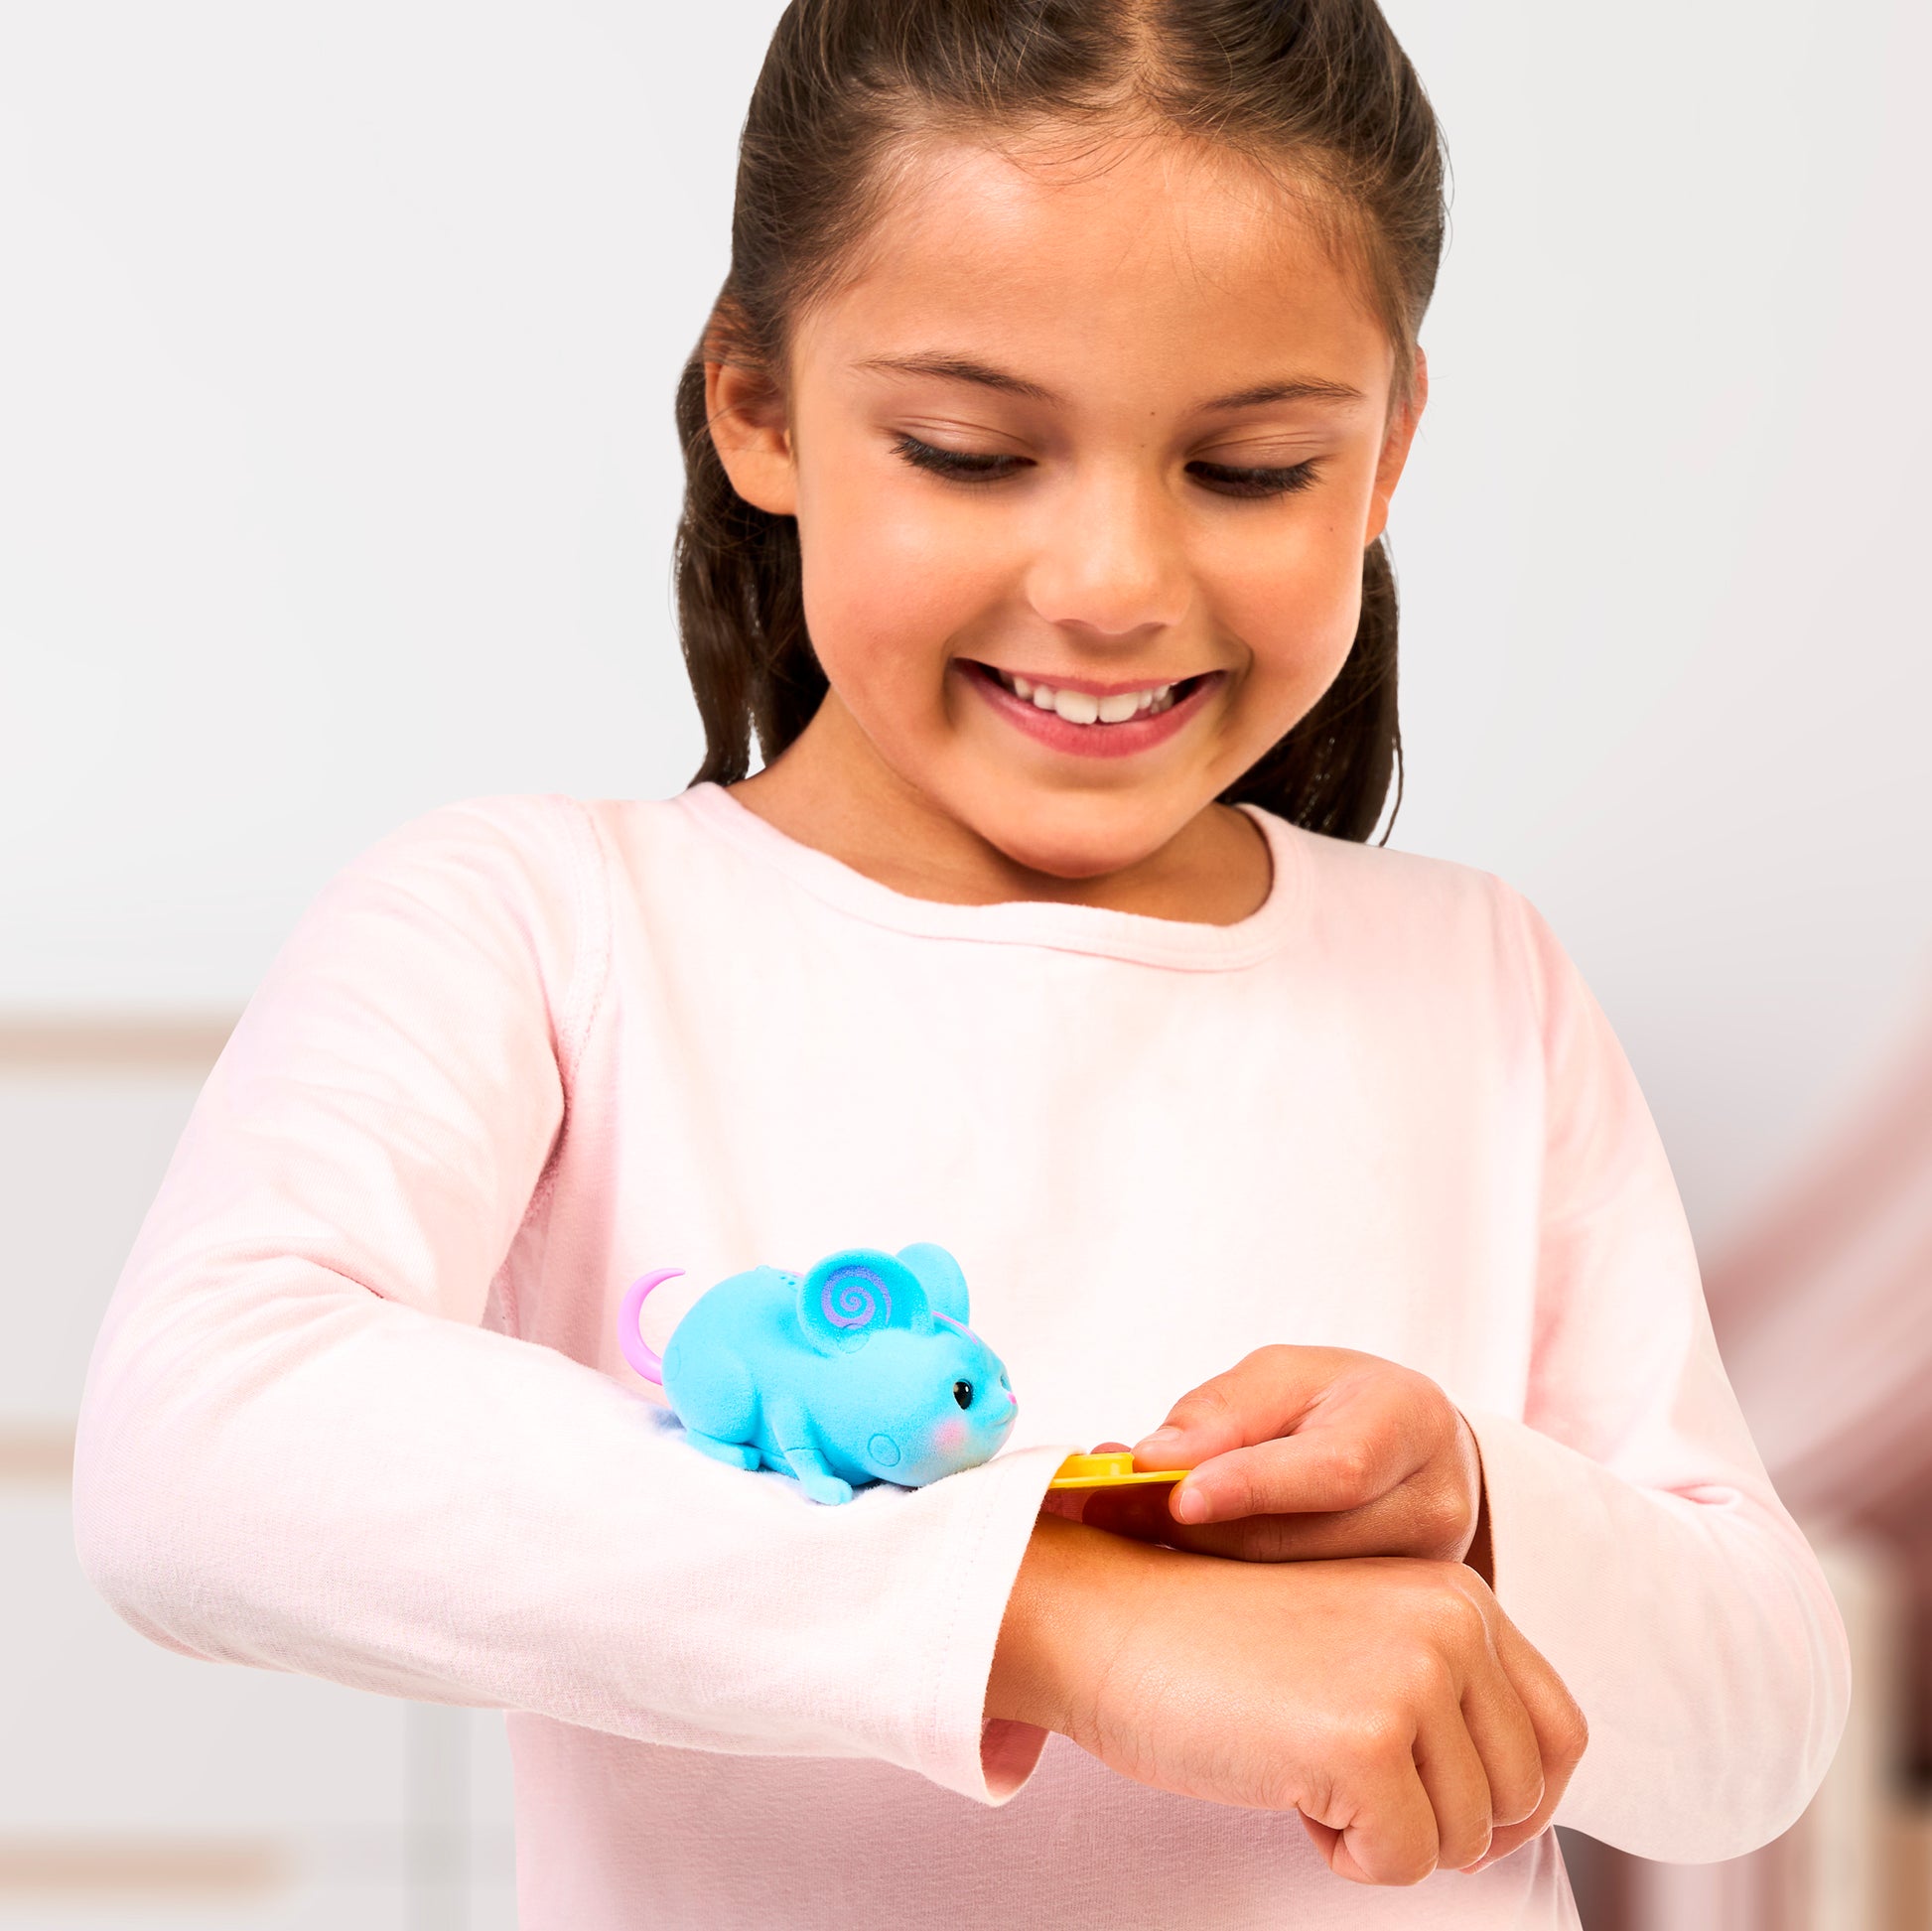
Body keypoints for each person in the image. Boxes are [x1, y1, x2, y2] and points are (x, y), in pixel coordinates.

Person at [71, 2, 1850, 1925]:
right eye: (973, 452)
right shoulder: (542, 925)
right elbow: (200, 1442)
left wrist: (1482, 1507)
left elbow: (1757, 1729)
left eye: (1251, 467)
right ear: (757, 407)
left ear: (1388, 445)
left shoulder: (1480, 980)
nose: (1111, 582)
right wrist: (1046, 1612)